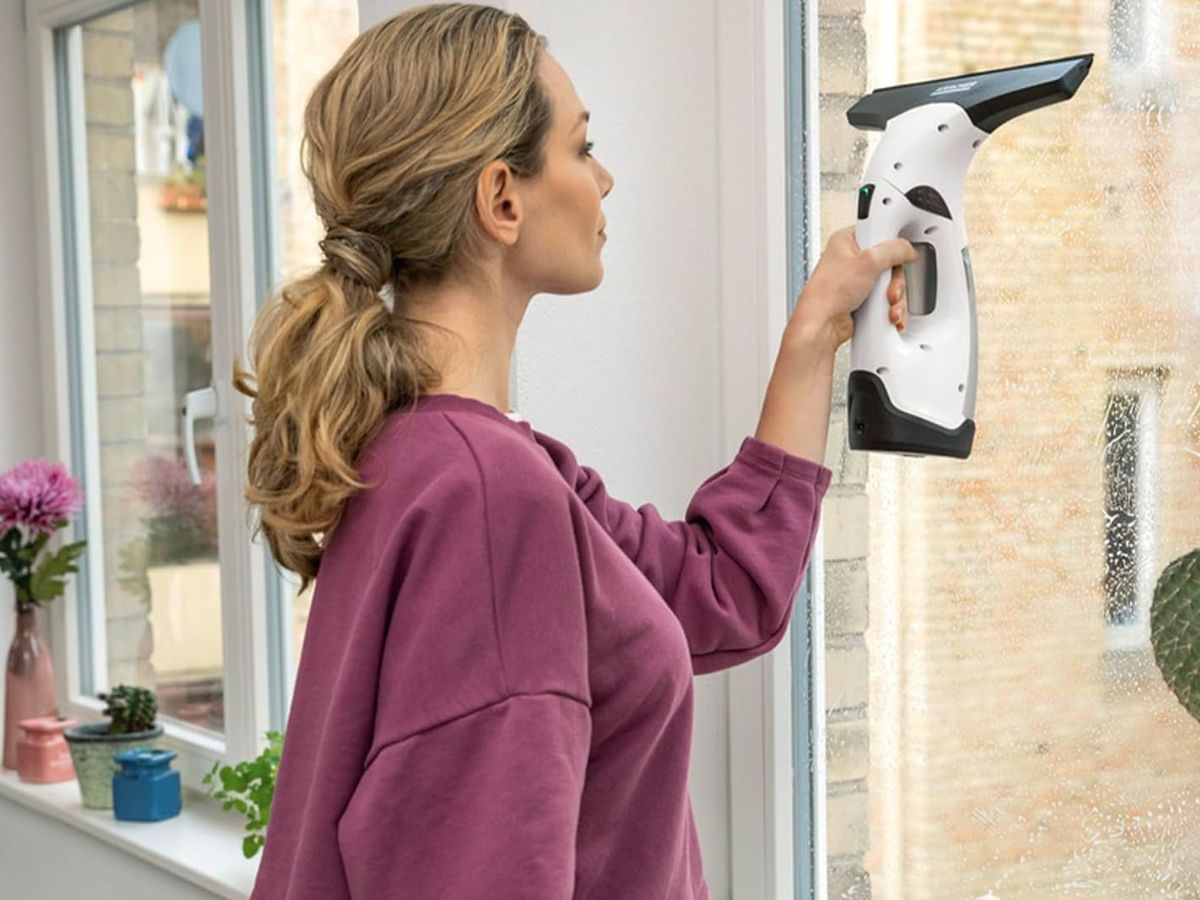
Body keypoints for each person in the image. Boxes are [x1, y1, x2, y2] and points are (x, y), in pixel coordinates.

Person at [231, 4, 913, 898]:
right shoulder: (486, 497)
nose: (606, 179)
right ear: (502, 199)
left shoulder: (436, 455)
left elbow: (721, 590)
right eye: (582, 148)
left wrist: (817, 329)